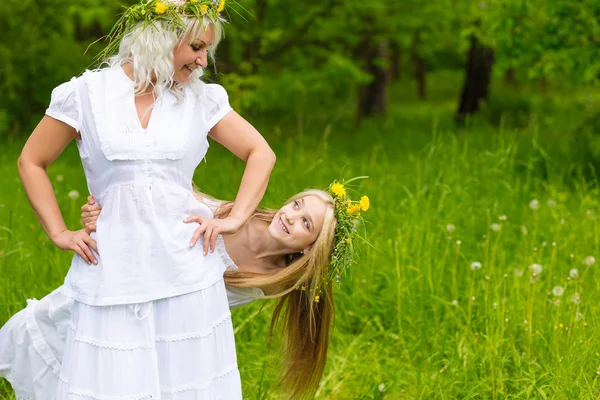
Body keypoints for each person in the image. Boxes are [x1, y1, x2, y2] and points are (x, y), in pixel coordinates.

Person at [0, 0, 276, 398]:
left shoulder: (203, 99)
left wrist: (234, 218)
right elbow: (31, 160)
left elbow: (260, 153)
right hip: (112, 272)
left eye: (206, 52)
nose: (203, 61)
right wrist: (60, 232)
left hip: (187, 274)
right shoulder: (87, 94)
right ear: (163, 38)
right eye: (196, 48)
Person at [1, 181, 370, 399]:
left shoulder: (269, 282)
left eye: (306, 222)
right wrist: (104, 215)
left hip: (163, 329)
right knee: (51, 327)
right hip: (130, 287)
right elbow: (160, 199)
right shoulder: (231, 213)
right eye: (296, 204)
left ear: (309, 248)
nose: (290, 215)